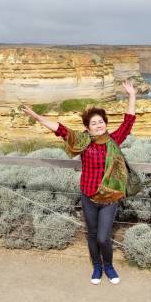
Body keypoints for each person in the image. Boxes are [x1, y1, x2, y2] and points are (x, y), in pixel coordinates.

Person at [22, 80, 136, 285]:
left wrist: (132, 96)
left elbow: (128, 121)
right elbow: (61, 130)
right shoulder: (82, 142)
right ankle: (97, 266)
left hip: (110, 197)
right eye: (94, 123)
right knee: (92, 234)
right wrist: (37, 117)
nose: (98, 125)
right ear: (87, 128)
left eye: (101, 121)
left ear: (105, 123)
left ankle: (108, 266)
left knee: (103, 237)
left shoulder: (114, 140)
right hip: (88, 195)